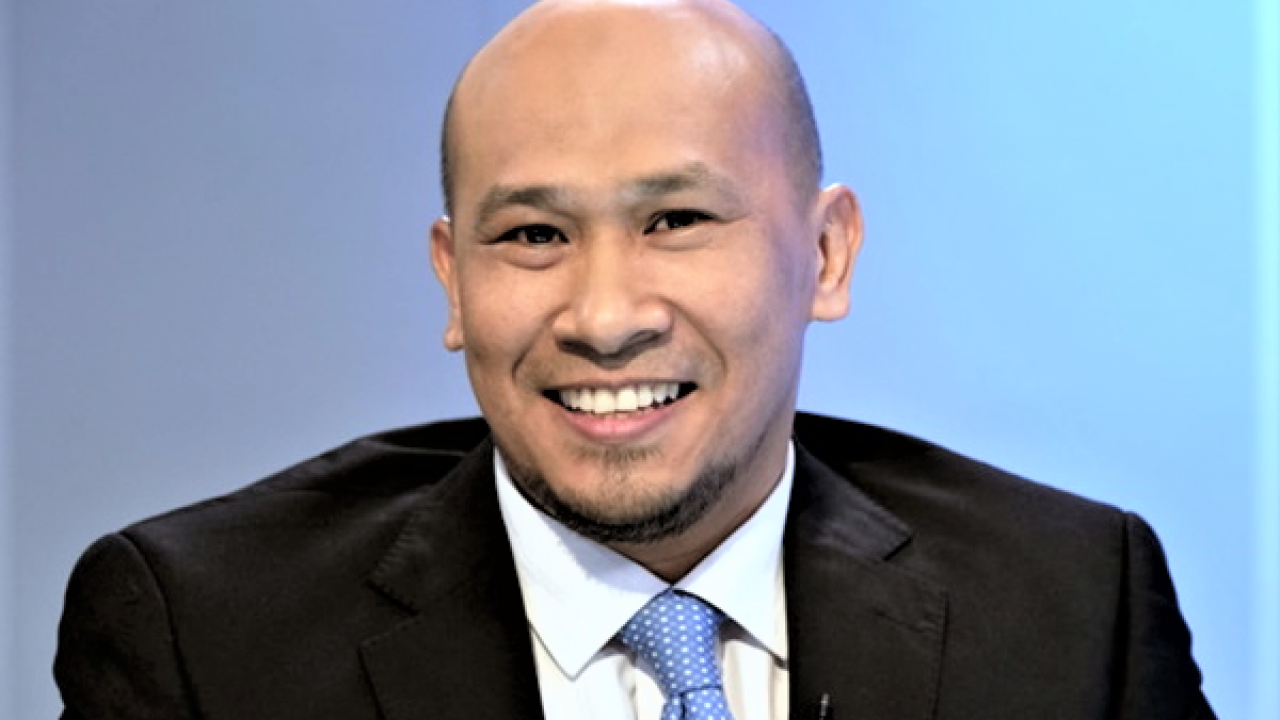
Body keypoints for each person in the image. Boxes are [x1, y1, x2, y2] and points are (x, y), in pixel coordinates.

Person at [53, 0, 1215, 718]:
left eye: (676, 220)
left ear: (824, 256)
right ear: (452, 280)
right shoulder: (203, 640)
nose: (604, 316)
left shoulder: (1072, 609)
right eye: (532, 236)